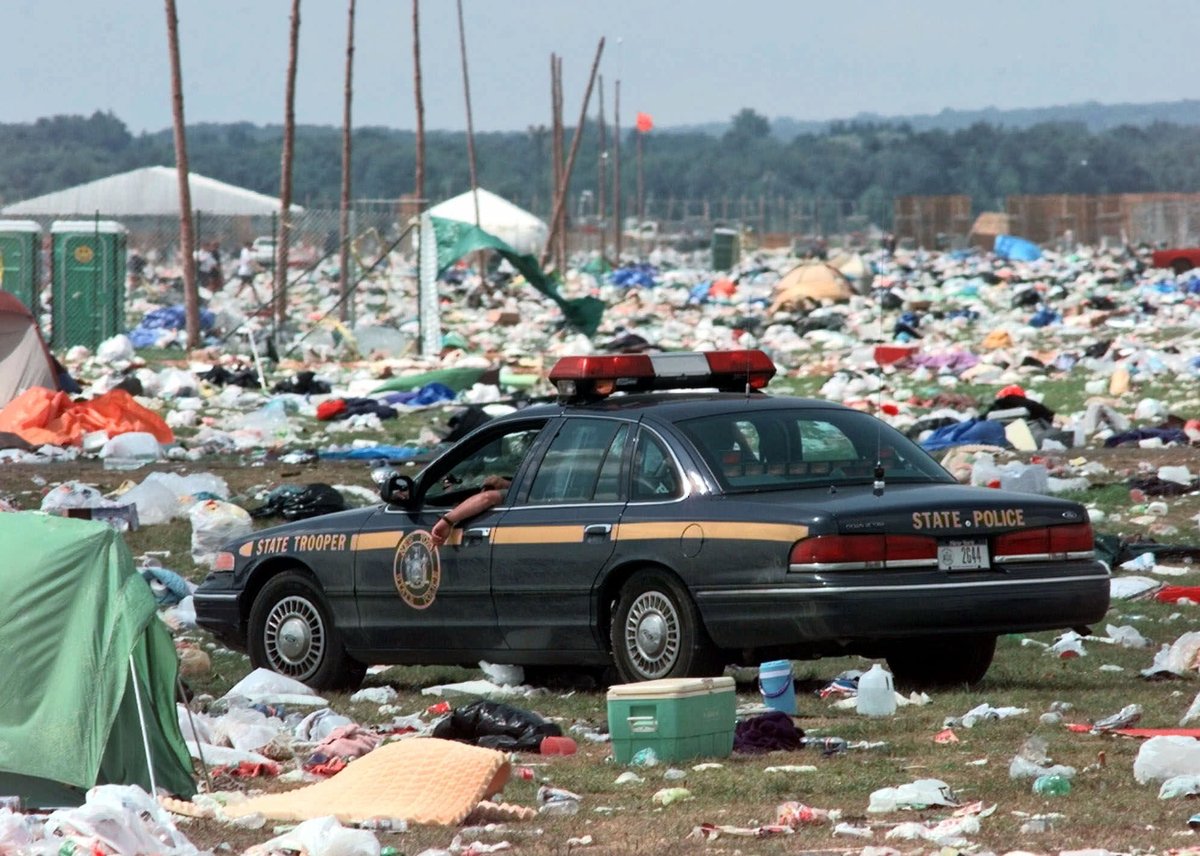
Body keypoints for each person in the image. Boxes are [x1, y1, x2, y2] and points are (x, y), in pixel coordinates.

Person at [430, 475, 511, 547]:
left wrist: (447, 521)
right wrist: (506, 483)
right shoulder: (522, 493)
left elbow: (487, 498)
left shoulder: (520, 494)